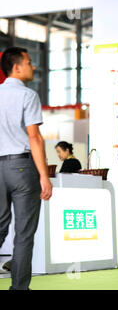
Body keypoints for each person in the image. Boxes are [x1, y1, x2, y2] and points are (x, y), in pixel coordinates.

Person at [0, 47, 52, 290]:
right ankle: (19, 288)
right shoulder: (27, 95)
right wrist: (44, 176)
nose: (34, 66)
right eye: (30, 62)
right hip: (21, 167)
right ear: (17, 67)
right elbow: (35, 137)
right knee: (23, 233)